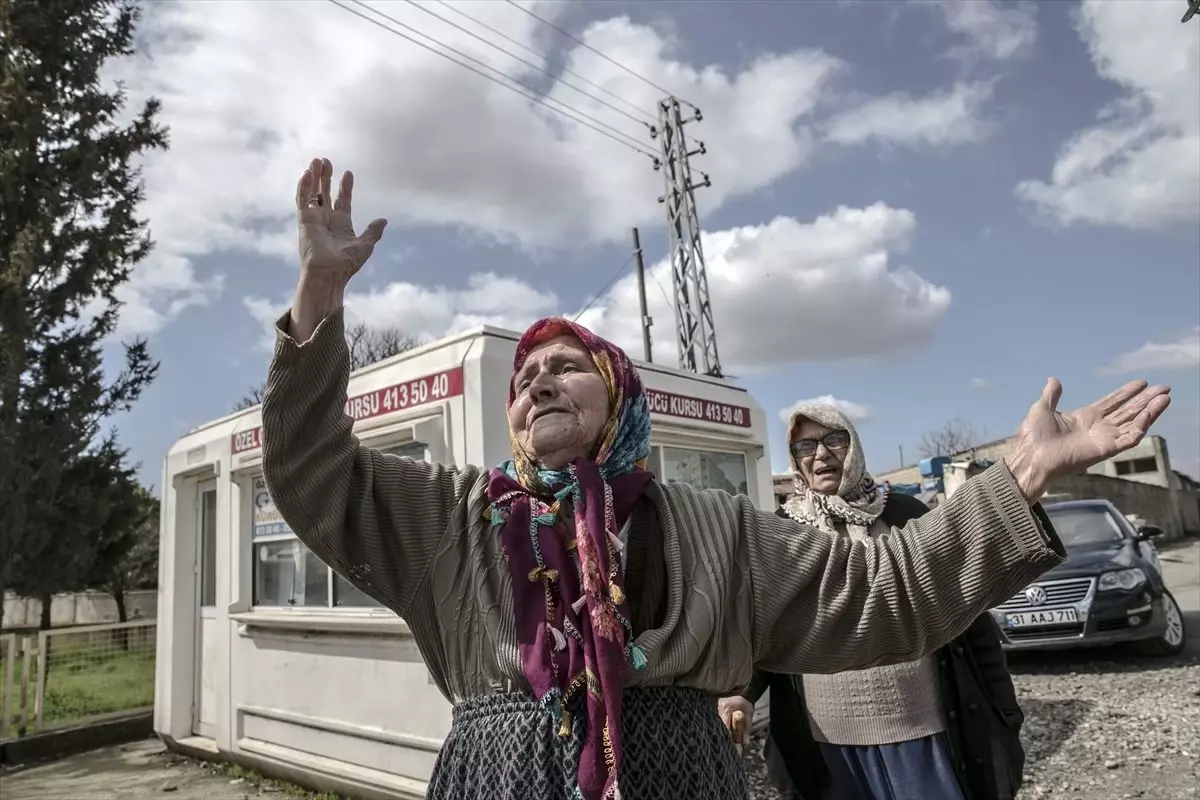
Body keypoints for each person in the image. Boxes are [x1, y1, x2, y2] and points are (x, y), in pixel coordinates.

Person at [261, 157, 1170, 800]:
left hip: (682, 776)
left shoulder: (717, 528)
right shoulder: (453, 516)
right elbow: (313, 474)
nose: (538, 380)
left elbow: (887, 590)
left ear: (620, 396)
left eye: (567, 365)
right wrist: (319, 302)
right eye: (525, 377)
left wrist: (1021, 473)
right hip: (496, 780)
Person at [718, 404, 1024, 800]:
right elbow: (766, 634)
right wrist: (742, 692)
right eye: (806, 446)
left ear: (854, 446)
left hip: (924, 736)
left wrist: (1005, 711)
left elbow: (970, 616)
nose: (822, 454)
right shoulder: (781, 534)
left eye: (834, 440)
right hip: (827, 751)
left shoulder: (905, 515)